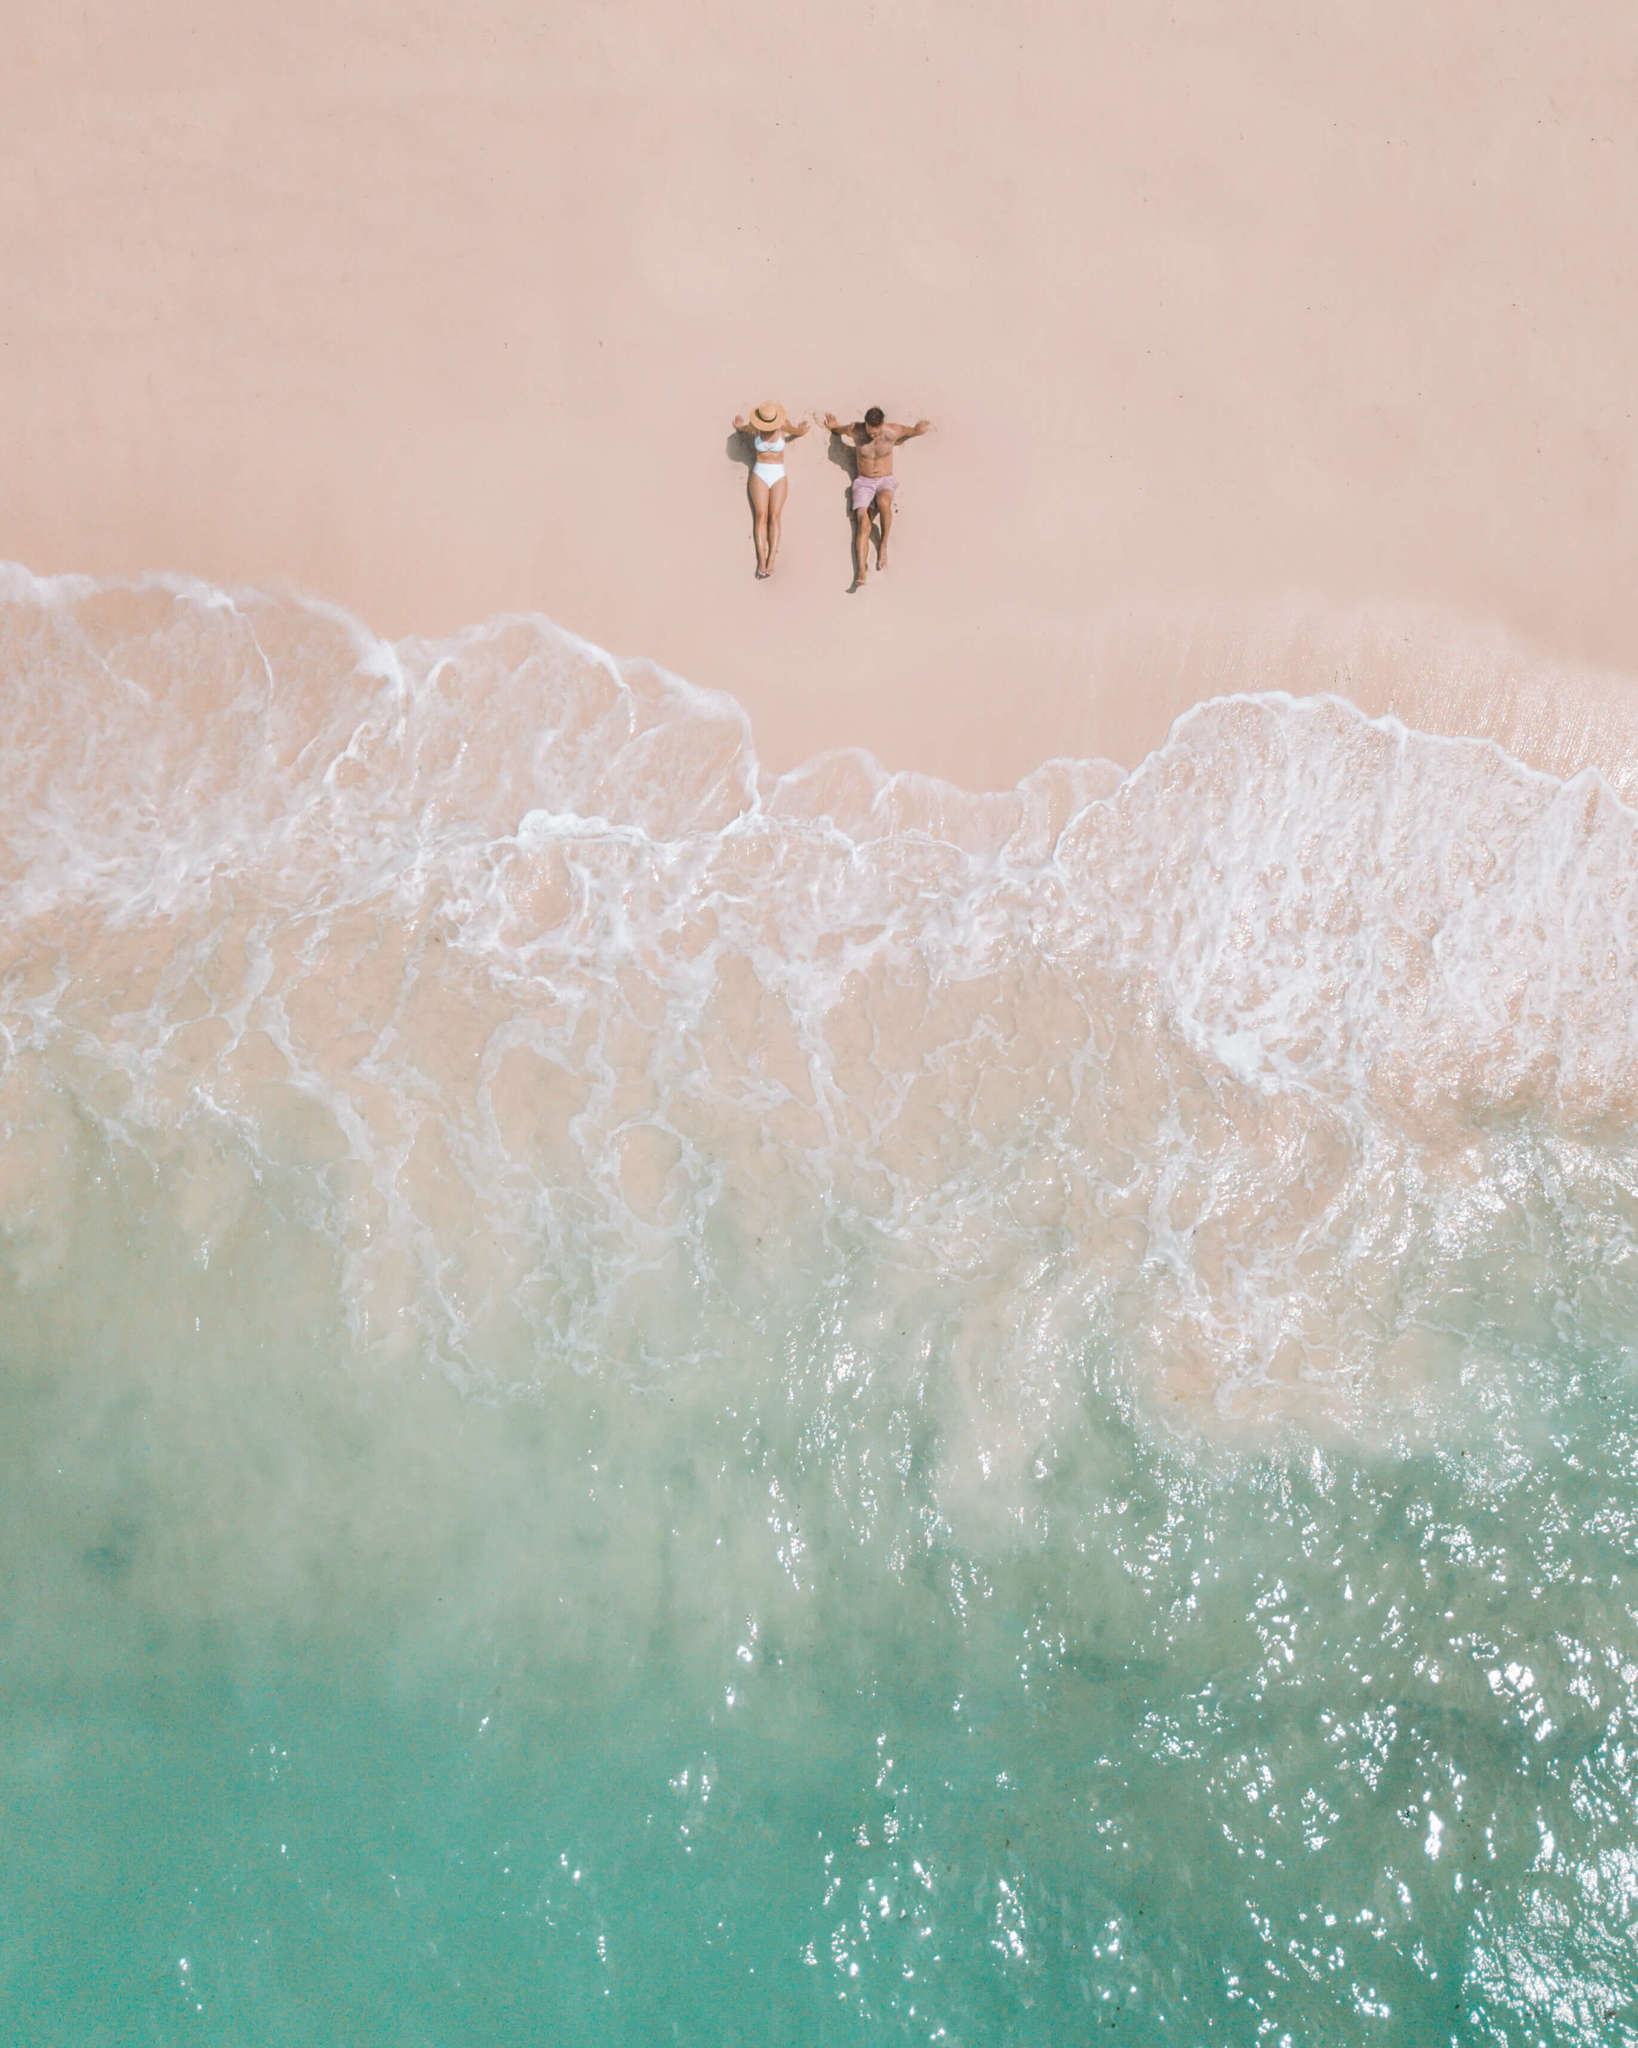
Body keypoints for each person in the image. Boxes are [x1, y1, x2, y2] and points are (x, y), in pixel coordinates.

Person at [817, 407, 933, 588]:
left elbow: (911, 431)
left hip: (885, 479)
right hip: (863, 481)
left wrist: (918, 429)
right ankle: (861, 571)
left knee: (884, 503)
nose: (873, 436)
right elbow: (840, 431)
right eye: (870, 432)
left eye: (876, 432)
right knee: (862, 524)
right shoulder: (856, 430)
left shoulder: (893, 431)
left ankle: (883, 544)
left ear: (882, 425)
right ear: (866, 425)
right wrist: (834, 427)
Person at [732, 402, 810, 578]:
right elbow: (744, 429)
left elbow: (796, 432)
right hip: (760, 472)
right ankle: (761, 560)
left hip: (778, 474)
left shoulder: (783, 425)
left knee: (774, 515)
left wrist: (802, 428)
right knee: (760, 515)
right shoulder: (755, 428)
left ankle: (772, 558)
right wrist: (739, 426)